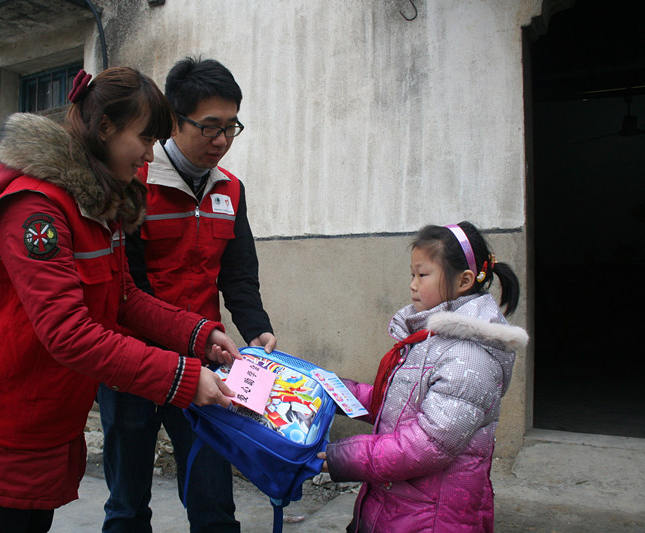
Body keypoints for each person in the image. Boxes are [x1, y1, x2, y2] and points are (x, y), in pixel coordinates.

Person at [0, 66, 241, 533]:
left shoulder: (96, 207)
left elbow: (123, 298)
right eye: (144, 138)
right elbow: (68, 333)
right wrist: (181, 376)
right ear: (104, 128)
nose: (149, 154)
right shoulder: (35, 208)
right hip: (1, 427)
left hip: (50, 419)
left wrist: (200, 335)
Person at [96, 57, 276, 533]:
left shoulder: (231, 190)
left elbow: (238, 275)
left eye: (231, 127)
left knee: (213, 500)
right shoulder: (133, 185)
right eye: (209, 127)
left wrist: (257, 329)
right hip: (133, 364)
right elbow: (127, 289)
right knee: (127, 502)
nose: (221, 140)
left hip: (203, 364)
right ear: (174, 121)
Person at [319, 221, 529, 533]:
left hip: (432, 519)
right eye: (412, 275)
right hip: (397, 507)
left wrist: (345, 458)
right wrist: (331, 391)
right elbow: (394, 404)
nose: (413, 285)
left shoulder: (469, 358)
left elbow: (428, 445)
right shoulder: (432, 340)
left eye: (422, 275)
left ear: (464, 280)